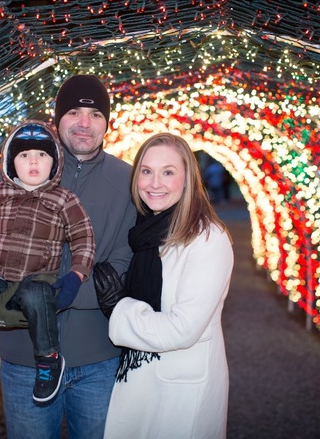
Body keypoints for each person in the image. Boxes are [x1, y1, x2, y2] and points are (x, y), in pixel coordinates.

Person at [0, 75, 136, 438]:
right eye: (74, 112)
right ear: (57, 117)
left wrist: (59, 297)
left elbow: (126, 265)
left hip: (99, 359)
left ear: (108, 122)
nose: (84, 123)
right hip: (23, 358)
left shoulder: (125, 183)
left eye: (95, 114)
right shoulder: (17, 172)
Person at [94, 132, 234, 438]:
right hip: (138, 375)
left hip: (180, 387)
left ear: (187, 179)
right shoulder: (140, 231)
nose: (154, 183)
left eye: (168, 172)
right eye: (146, 171)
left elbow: (182, 329)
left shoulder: (207, 239)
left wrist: (119, 307)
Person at [0, 119, 96, 403]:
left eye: (42, 155)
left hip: (38, 277)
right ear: (10, 161)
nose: (33, 161)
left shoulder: (64, 199)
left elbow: (83, 238)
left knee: (37, 298)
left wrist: (76, 275)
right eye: (24, 155)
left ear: (54, 162)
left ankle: (48, 359)